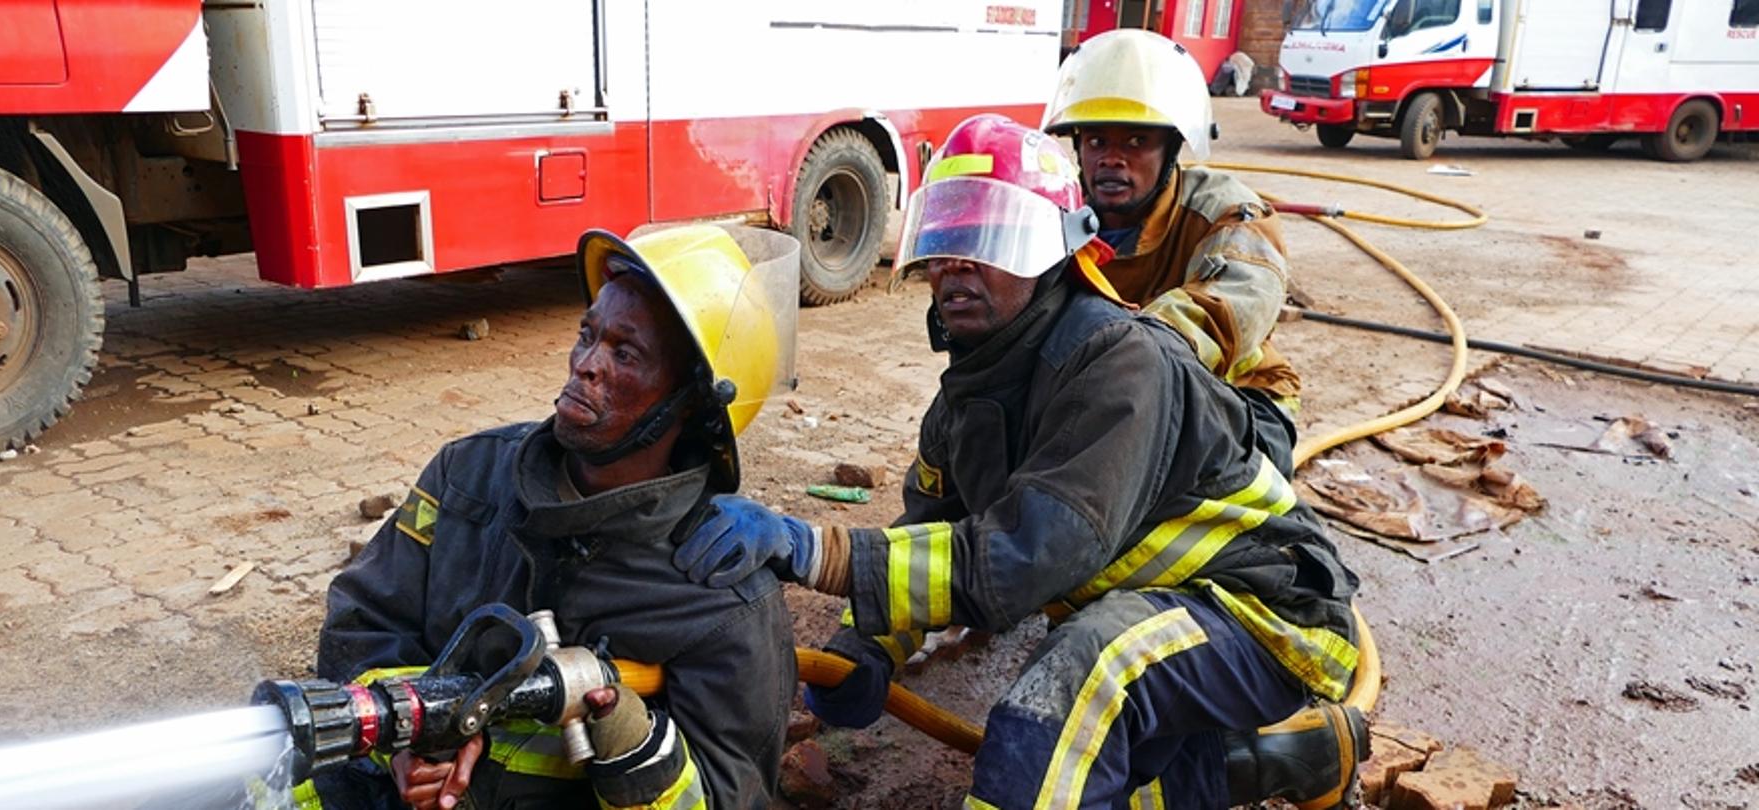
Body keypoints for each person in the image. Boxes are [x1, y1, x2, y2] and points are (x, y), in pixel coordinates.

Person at [675, 115, 1368, 809]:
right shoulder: (964, 403)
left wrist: (815, 549)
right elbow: (928, 532)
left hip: (1262, 617)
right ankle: (1272, 758)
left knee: (1073, 690)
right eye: (945, 241)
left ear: (1055, 253)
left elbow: (1028, 554)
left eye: (989, 239)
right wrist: (868, 646)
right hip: (1149, 611)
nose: (956, 265)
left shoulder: (1121, 364)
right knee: (1093, 774)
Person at [303, 224, 799, 810]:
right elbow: (361, 624)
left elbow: (729, 797)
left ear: (691, 402)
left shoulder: (722, 600)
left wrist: (637, 748)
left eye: (625, 353)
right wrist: (402, 741)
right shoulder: (467, 476)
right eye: (588, 334)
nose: (586, 365)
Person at [1050, 30, 1302, 471]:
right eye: (1096, 141)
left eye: (1136, 142)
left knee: (1147, 480)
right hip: (1107, 398)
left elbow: (1239, 299)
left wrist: (1125, 352)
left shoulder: (1228, 213)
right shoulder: (1057, 219)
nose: (1112, 159)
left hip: (1240, 401)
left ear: (1172, 148)